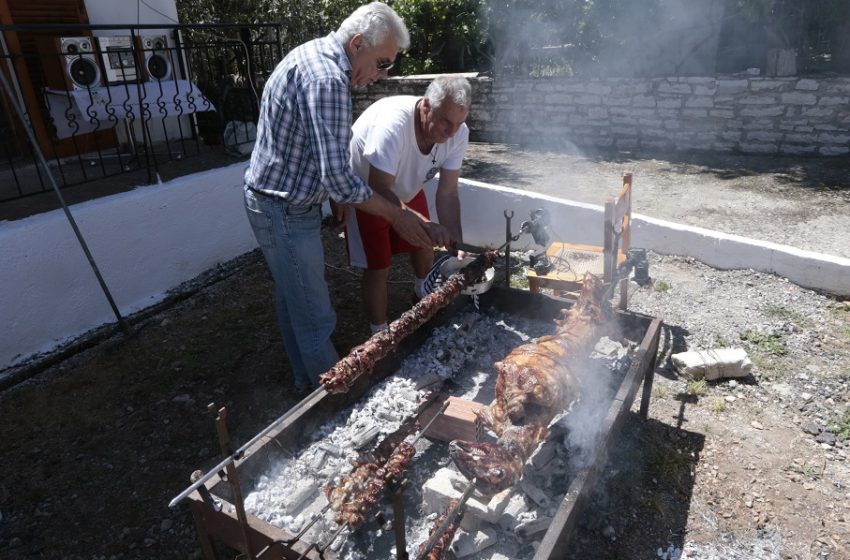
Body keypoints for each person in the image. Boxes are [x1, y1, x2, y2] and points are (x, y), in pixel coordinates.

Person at [242, 2, 452, 393]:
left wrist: (336, 197)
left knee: (294, 300)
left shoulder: (319, 57)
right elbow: (340, 178)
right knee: (315, 313)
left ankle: (307, 384)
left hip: (277, 201)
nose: (383, 75)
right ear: (357, 44)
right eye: (382, 62)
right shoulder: (328, 79)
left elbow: (325, 154)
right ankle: (336, 400)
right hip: (283, 209)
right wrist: (396, 215)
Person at [343, 75, 472, 333]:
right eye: (446, 122)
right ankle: (378, 333)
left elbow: (447, 193)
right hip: (367, 189)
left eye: (459, 123)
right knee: (378, 264)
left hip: (405, 185)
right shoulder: (393, 126)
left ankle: (422, 290)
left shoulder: (459, 133)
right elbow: (380, 188)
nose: (452, 133)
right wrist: (424, 223)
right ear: (426, 106)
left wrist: (454, 239)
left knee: (425, 241)